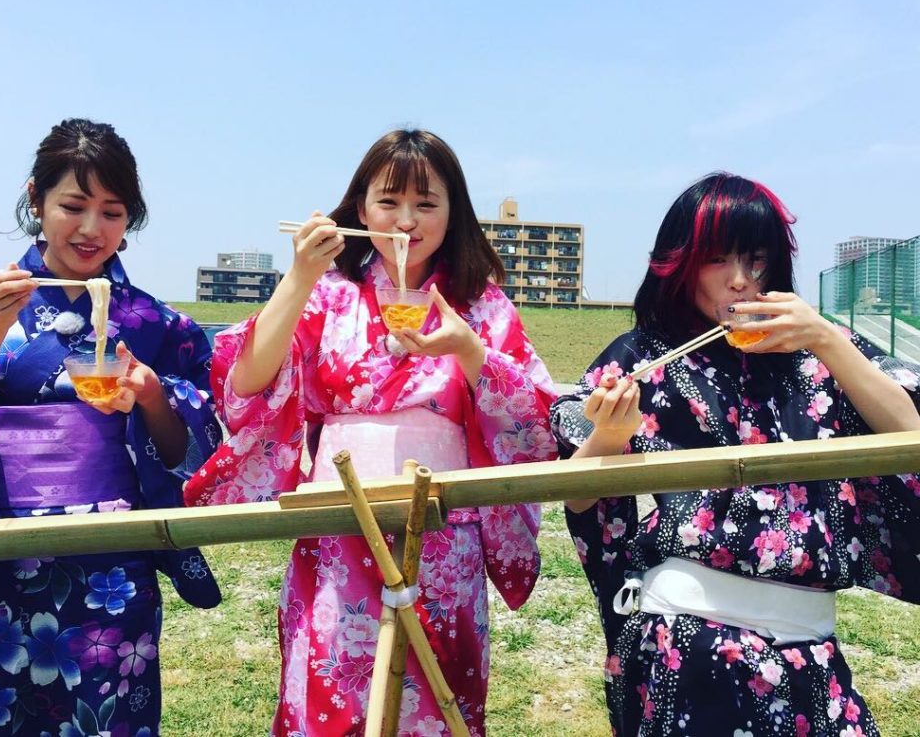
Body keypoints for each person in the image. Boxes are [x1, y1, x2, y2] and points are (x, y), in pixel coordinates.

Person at [184, 129, 557, 736]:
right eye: (388, 202)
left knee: (439, 702)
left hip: (442, 532)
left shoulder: (483, 308)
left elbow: (532, 425)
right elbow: (247, 381)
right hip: (338, 531)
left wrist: (469, 350)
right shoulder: (328, 297)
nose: (406, 221)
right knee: (329, 688)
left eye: (427, 204)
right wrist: (301, 274)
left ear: (453, 212)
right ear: (360, 209)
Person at [550, 172, 920, 736]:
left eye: (756, 259)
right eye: (718, 259)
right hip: (688, 642)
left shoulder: (817, 352)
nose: (741, 281)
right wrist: (608, 436)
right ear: (680, 262)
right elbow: (576, 495)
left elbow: (908, 435)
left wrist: (825, 338)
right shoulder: (643, 357)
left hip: (812, 647)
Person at [0, 118, 221, 735]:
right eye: (73, 205)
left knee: (106, 717)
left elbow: (199, 438)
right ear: (36, 199)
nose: (92, 228)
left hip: (110, 565)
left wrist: (152, 396)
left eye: (114, 212)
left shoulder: (155, 322)